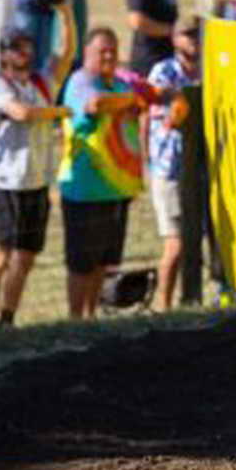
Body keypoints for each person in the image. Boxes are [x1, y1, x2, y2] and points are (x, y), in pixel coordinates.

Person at [0, 29, 65, 325]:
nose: (23, 53)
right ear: (3, 53)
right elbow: (21, 113)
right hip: (8, 183)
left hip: (37, 182)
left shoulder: (40, 83)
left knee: (26, 257)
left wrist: (66, 15)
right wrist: (59, 112)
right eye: (16, 48)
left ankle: (8, 317)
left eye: (27, 47)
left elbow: (66, 54)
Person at [58, 28, 145, 318]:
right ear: (87, 53)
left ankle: (91, 316)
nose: (108, 56)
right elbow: (94, 105)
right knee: (81, 263)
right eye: (101, 51)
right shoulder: (80, 81)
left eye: (113, 51)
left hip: (115, 189)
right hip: (84, 189)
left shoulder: (119, 84)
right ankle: (75, 319)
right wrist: (131, 100)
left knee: (104, 262)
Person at [144, 18, 201, 310]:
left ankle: (190, 298)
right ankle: (162, 304)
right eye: (187, 35)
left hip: (199, 167)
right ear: (175, 39)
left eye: (197, 34)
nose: (193, 40)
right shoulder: (163, 71)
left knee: (193, 239)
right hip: (168, 167)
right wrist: (146, 161)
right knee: (175, 243)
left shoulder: (208, 69)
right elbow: (149, 108)